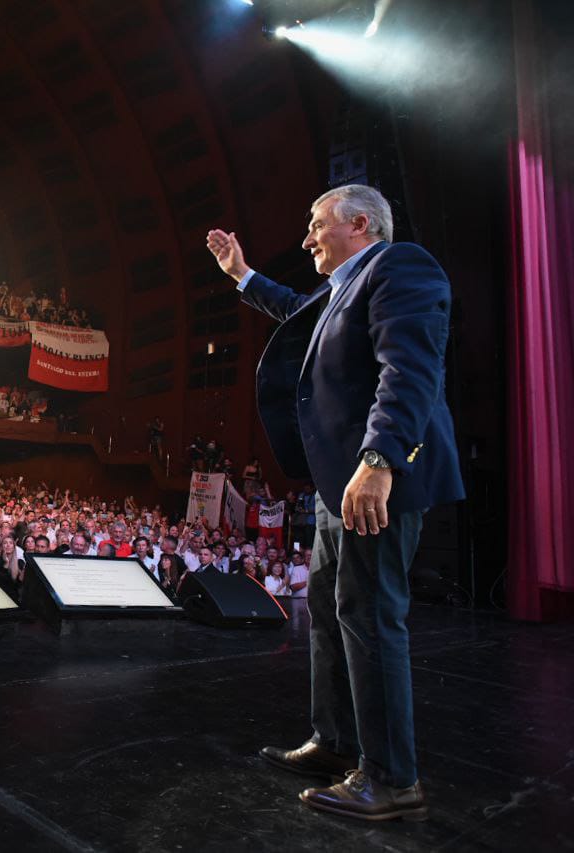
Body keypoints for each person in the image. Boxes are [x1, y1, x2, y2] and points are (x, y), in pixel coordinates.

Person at [208, 184, 464, 821]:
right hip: (337, 484)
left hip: (377, 475)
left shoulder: (399, 265)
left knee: (371, 616)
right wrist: (242, 276)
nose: (306, 238)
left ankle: (390, 778)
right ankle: (335, 744)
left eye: (315, 224)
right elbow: (299, 309)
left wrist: (379, 461)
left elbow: (408, 367)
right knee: (329, 610)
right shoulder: (337, 290)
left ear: (358, 223)